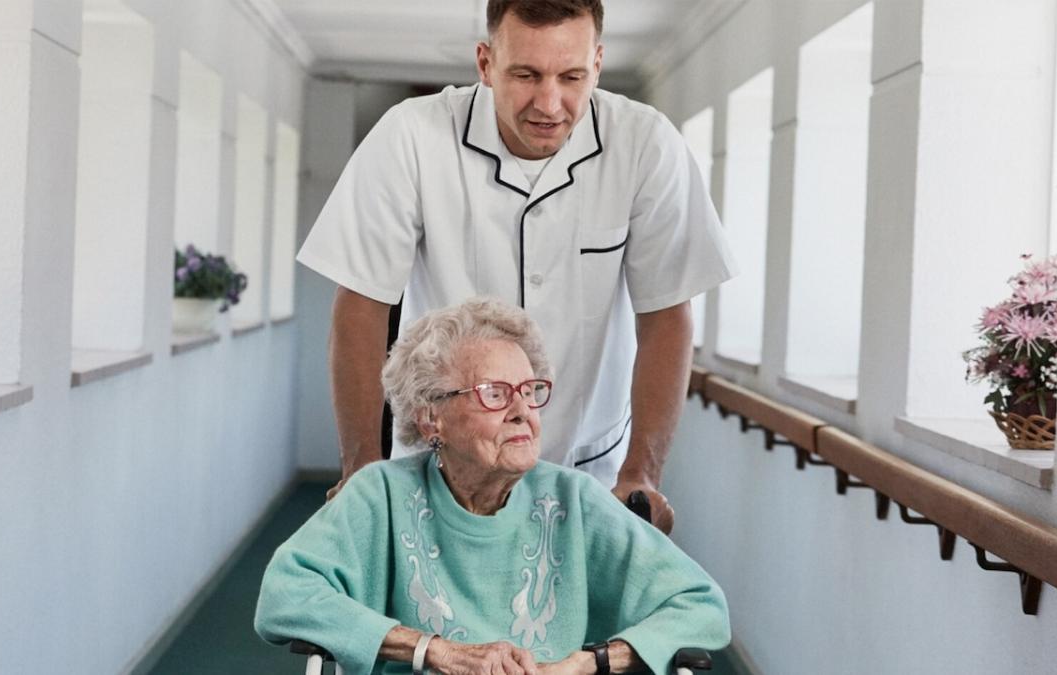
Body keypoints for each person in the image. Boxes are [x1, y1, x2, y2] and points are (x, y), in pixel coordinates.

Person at [297, 0, 738, 533]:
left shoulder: (647, 146)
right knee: (424, 618)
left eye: (572, 76)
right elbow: (362, 307)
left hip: (589, 472)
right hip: (441, 468)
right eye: (526, 75)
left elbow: (666, 315)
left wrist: (642, 471)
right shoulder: (410, 136)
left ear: (597, 64)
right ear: (485, 63)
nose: (549, 103)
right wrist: (361, 468)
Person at [255, 298, 730, 675]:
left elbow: (701, 605)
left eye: (530, 390)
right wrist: (432, 652)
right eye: (495, 393)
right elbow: (283, 594)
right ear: (430, 416)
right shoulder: (379, 495)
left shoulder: (575, 500)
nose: (523, 410)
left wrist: (585, 663)